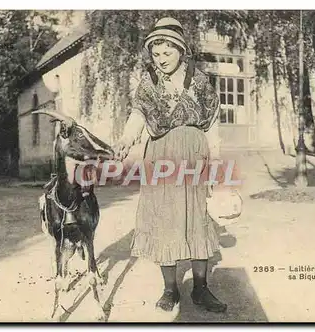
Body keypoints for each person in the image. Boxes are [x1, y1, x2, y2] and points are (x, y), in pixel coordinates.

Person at [114, 17, 227, 313]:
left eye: (167, 53)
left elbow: (212, 123)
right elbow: (138, 114)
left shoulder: (200, 82)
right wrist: (127, 139)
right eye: (156, 54)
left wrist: (214, 162)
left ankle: (201, 289)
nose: (161, 60)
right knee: (165, 217)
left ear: (180, 51)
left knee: (197, 217)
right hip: (161, 155)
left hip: (194, 153)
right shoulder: (149, 83)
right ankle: (170, 289)